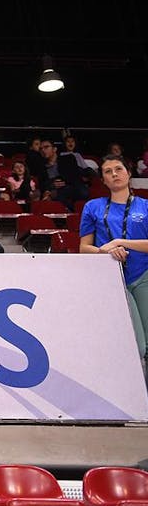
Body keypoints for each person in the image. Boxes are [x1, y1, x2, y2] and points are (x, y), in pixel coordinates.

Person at [79, 155, 148, 365]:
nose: (114, 174)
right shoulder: (93, 207)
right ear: (103, 180)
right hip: (112, 279)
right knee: (137, 345)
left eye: (118, 169)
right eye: (108, 172)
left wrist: (121, 242)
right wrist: (105, 252)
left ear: (129, 172)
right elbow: (84, 248)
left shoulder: (145, 206)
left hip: (143, 276)